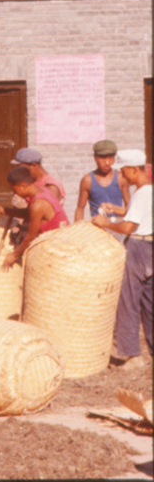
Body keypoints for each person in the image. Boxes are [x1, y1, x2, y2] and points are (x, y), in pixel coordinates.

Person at [91, 149, 152, 370]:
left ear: (135, 170)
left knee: (128, 300)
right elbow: (135, 214)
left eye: (125, 171)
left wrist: (103, 222)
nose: (123, 176)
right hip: (151, 246)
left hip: (137, 247)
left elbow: (128, 226)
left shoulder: (140, 193)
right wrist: (116, 210)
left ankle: (133, 356)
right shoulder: (149, 191)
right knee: (149, 301)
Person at [0, 165, 69, 269]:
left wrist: (14, 255)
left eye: (14, 189)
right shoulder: (41, 191)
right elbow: (29, 214)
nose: (14, 193)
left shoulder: (38, 204)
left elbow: (30, 237)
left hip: (57, 250)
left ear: (23, 186)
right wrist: (3, 210)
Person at [75, 139, 130, 224]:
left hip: (118, 226)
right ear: (95, 157)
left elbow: (128, 206)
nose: (107, 162)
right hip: (97, 227)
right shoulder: (87, 180)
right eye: (102, 158)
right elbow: (80, 208)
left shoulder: (121, 177)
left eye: (111, 158)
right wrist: (77, 230)